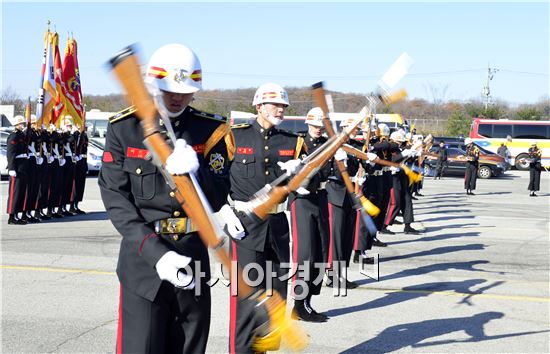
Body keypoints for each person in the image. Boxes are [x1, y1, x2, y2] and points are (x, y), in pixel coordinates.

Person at [99, 43, 239, 353]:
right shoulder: (125, 129)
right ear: (152, 84)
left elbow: (216, 197)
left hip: (193, 255)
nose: (177, 97)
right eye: (169, 89)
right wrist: (157, 254)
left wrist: (197, 172)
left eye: (186, 90)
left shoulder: (210, 130)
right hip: (143, 262)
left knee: (189, 347)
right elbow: (116, 200)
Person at [228, 82, 306, 353]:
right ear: (258, 106)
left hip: (277, 226)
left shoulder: (293, 141)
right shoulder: (234, 136)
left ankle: (263, 349)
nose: (281, 109)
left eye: (284, 105)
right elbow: (216, 178)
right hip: (245, 226)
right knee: (248, 298)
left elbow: (311, 177)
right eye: (275, 105)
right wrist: (223, 210)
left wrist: (300, 174)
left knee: (278, 293)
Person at [288, 107, 330, 322]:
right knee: (305, 254)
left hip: (320, 197)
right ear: (307, 124)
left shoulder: (327, 144)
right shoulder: (297, 143)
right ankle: (298, 303)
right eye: (314, 126)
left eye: (321, 126)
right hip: (301, 200)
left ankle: (308, 301)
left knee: (321, 252)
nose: (317, 129)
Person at [6, 116, 29, 225]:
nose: (23, 125)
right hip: (16, 167)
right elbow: (10, 153)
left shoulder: (21, 135)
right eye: (21, 123)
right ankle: (11, 216)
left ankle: (16, 215)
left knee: (20, 192)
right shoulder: (14, 136)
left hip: (22, 167)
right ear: (16, 124)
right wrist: (11, 168)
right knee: (14, 193)